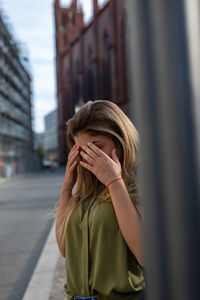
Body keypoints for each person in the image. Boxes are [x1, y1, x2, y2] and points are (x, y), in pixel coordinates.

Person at [55, 100, 146, 300]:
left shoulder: (141, 184)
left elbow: (144, 253)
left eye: (97, 147)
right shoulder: (86, 191)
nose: (90, 157)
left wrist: (114, 182)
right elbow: (64, 248)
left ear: (120, 140)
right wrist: (67, 189)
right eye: (82, 151)